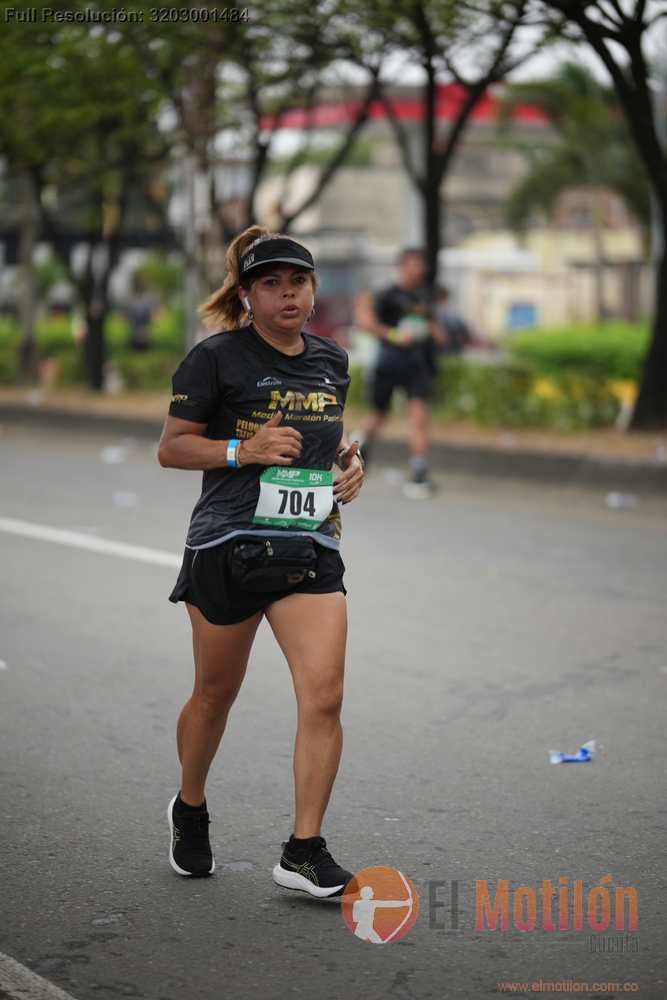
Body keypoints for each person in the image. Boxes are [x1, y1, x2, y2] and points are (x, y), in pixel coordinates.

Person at [157, 226, 364, 897]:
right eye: (271, 283)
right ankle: (190, 806)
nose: (287, 294)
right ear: (247, 295)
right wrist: (240, 452)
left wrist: (350, 464)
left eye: (297, 281)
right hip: (229, 543)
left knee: (325, 695)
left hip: (308, 542)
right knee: (215, 694)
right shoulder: (215, 358)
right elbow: (172, 448)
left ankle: (303, 849)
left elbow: (328, 438)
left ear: (313, 289)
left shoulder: (331, 359)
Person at [353, 248, 446, 500]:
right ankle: (360, 445)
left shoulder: (424, 296)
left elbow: (430, 324)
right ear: (401, 267)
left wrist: (437, 332)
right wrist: (394, 335)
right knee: (379, 415)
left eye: (421, 265)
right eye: (413, 264)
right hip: (389, 364)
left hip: (417, 366)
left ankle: (419, 474)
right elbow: (364, 322)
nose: (418, 269)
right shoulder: (386, 294)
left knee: (419, 416)